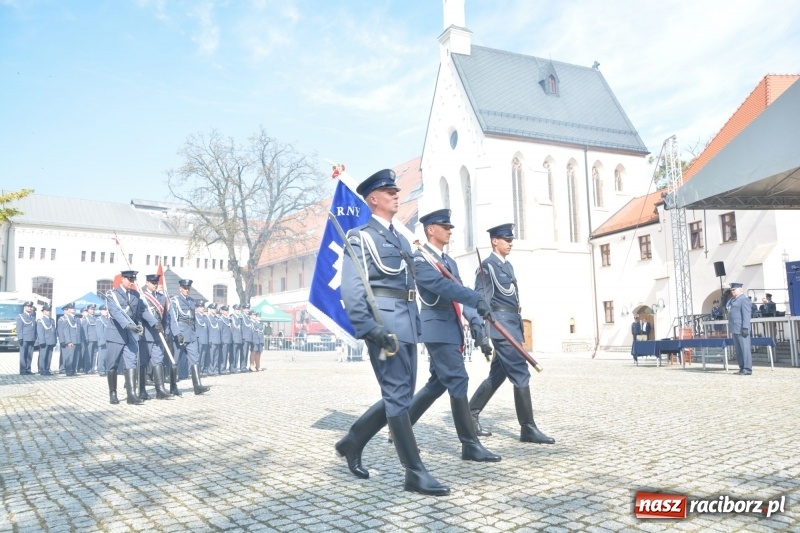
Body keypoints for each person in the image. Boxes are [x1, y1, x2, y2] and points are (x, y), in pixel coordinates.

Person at [335, 168, 449, 496]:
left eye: (397, 191)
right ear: (373, 199)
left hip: (407, 323)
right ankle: (414, 471)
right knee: (398, 397)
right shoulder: (360, 237)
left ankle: (353, 441)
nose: (397, 195)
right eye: (390, 192)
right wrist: (370, 329)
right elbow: (352, 290)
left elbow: (411, 283)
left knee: (399, 396)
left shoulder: (400, 238)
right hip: (385, 325)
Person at [406, 208, 499, 462]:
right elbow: (444, 287)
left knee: (437, 384)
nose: (449, 231)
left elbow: (461, 294)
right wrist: (476, 298)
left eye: (450, 227)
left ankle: (400, 426)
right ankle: (470, 444)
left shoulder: (449, 262)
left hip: (452, 328)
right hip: (437, 329)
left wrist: (478, 327)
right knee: (458, 379)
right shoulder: (420, 259)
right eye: (444, 227)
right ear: (430, 230)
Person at [468, 223, 555, 445]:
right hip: (501, 327)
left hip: (512, 324)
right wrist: (482, 333)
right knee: (520, 372)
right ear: (494, 241)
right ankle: (528, 428)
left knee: (498, 375)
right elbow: (480, 301)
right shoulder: (487, 267)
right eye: (506, 239)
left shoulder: (508, 266)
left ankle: (470, 415)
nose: (510, 243)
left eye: (511, 239)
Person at [105, 270, 145, 405]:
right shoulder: (112, 294)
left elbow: (137, 315)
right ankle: (113, 393)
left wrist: (139, 326)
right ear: (122, 279)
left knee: (131, 362)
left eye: (133, 280)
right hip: (116, 333)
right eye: (129, 279)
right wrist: (129, 325)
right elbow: (115, 312)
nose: (131, 282)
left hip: (131, 335)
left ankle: (131, 394)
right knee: (113, 365)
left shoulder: (136, 295)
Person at [169, 279, 210, 395]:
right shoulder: (175, 301)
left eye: (188, 288)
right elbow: (173, 319)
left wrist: (195, 333)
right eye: (185, 288)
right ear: (180, 288)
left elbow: (193, 318)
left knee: (195, 359)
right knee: (175, 361)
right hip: (180, 334)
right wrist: (177, 334)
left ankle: (197, 386)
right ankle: (173, 387)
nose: (187, 290)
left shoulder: (192, 301)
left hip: (191, 334)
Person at [139, 273, 173, 399]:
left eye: (156, 283)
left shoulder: (161, 297)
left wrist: (166, 331)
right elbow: (142, 312)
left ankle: (160, 390)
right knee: (143, 362)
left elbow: (165, 317)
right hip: (146, 334)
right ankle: (142, 390)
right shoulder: (141, 296)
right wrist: (154, 322)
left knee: (158, 360)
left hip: (158, 334)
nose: (155, 285)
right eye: (153, 283)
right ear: (147, 283)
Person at [727, 282, 752, 375]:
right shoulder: (733, 300)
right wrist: (724, 297)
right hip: (735, 328)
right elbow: (727, 307)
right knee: (739, 350)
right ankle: (742, 367)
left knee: (745, 349)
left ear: (740, 289)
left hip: (742, 328)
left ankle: (747, 368)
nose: (732, 291)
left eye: (734, 290)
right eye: (732, 290)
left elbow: (746, 315)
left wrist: (745, 327)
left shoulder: (744, 299)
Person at [57, 302, 80, 377]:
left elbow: (79, 331)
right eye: (71, 308)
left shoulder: (76, 318)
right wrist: (68, 341)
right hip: (71, 341)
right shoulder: (66, 319)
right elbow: (65, 331)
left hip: (77, 340)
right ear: (68, 310)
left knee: (75, 357)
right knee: (70, 357)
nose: (73, 309)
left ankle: (74, 370)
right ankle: (69, 371)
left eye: (73, 308)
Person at [16, 300, 37, 375]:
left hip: (31, 338)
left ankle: (28, 369)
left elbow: (34, 328)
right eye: (28, 306)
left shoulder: (33, 317)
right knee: (23, 354)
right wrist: (20, 338)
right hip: (24, 338)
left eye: (31, 307)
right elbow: (19, 328)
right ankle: (23, 370)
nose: (30, 308)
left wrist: (35, 337)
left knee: (29, 355)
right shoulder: (21, 316)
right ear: (25, 307)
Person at [36, 303, 57, 375]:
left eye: (49, 310)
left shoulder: (52, 320)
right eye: (47, 311)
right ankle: (42, 369)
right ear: (43, 311)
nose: (49, 312)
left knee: (49, 356)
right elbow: (40, 332)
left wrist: (55, 340)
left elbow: (54, 331)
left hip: (51, 340)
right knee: (43, 356)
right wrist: (42, 341)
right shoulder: (40, 320)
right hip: (45, 341)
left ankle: (47, 369)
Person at [82, 304, 99, 374]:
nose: (93, 311)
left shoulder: (95, 318)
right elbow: (84, 329)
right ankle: (88, 369)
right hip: (89, 339)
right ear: (88, 310)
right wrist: (86, 338)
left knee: (94, 354)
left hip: (96, 339)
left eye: (94, 309)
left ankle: (92, 368)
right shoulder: (86, 318)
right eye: (91, 309)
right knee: (88, 354)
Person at [206, 303, 222, 375]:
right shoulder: (208, 318)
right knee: (211, 356)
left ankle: (214, 370)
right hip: (212, 340)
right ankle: (210, 370)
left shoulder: (217, 318)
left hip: (217, 340)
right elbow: (207, 330)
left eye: (215, 308)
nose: (215, 310)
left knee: (216, 356)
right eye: (213, 308)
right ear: (209, 309)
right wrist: (209, 340)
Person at [96, 305, 110, 377]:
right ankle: (101, 370)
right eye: (104, 310)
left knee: (108, 356)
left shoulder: (109, 319)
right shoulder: (99, 319)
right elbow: (99, 332)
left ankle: (107, 370)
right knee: (102, 357)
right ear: (101, 311)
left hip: (109, 341)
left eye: (107, 310)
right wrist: (102, 341)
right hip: (103, 341)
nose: (106, 311)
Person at [219, 305, 233, 374]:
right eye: (225, 310)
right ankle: (222, 369)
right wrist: (221, 340)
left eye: (227, 310)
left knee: (226, 355)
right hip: (224, 340)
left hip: (228, 340)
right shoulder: (221, 319)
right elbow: (220, 330)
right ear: (222, 311)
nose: (227, 311)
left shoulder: (228, 319)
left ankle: (224, 368)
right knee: (223, 355)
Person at [230, 304, 244, 371]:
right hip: (234, 338)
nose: (238, 311)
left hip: (239, 338)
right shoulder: (231, 317)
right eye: (237, 309)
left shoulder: (240, 318)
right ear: (234, 310)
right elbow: (231, 329)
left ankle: (235, 367)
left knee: (237, 354)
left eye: (239, 309)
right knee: (233, 354)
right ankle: (232, 367)